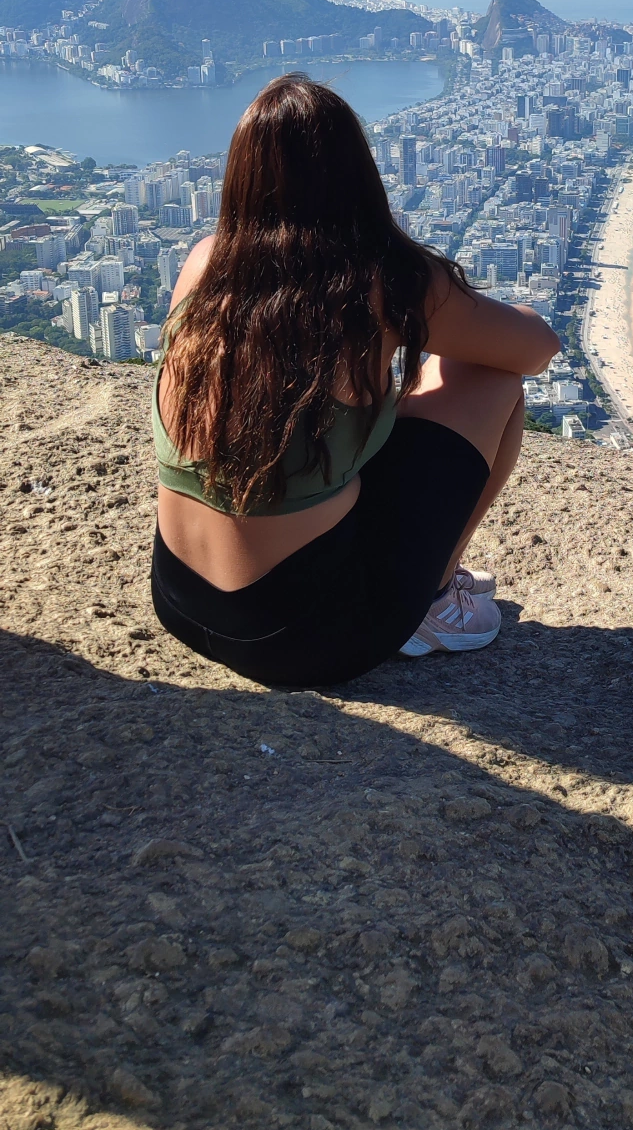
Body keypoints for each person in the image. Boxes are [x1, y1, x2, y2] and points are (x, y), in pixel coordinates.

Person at [150, 74, 559, 689]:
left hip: (180, 603)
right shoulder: (380, 281)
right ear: (357, 177)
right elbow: (535, 350)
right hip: (302, 646)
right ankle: (436, 603)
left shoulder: (206, 263)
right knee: (491, 377)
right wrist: (446, 295)